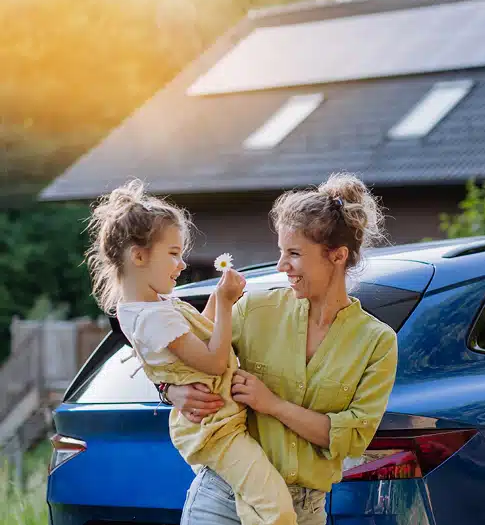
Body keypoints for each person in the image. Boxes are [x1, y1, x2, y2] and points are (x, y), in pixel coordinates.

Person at [166, 172, 398, 525]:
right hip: (225, 494)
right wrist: (170, 390)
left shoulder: (376, 342)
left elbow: (351, 438)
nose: (281, 266)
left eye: (294, 254)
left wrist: (271, 404)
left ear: (337, 256)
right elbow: (185, 356)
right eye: (281, 252)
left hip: (301, 510)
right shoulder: (254, 310)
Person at [85, 180, 297, 525]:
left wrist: (215, 298)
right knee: (278, 509)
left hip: (220, 422)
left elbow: (197, 337)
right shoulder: (152, 317)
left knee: (253, 508)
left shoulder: (150, 307)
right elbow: (213, 362)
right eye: (173, 254)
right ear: (138, 256)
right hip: (217, 429)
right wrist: (226, 305)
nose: (182, 264)